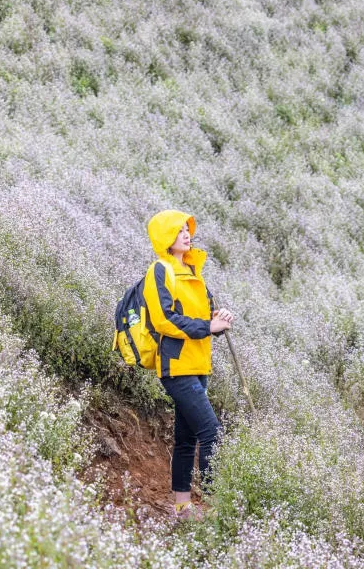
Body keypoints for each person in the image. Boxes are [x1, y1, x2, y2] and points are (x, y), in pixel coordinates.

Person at [143, 209, 234, 521]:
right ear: (166, 236)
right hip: (176, 366)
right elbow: (164, 319)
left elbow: (204, 321)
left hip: (199, 364)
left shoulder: (195, 272)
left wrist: (217, 321)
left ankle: (182, 507)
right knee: (212, 431)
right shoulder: (160, 270)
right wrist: (208, 327)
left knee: (187, 438)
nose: (186, 234)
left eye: (187, 229)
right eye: (179, 230)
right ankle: (216, 503)